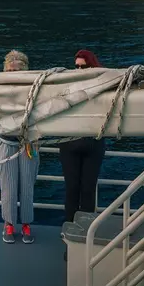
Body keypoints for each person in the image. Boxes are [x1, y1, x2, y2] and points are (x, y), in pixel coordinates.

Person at [60, 49, 108, 222]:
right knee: (71, 189)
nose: (79, 71)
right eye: (77, 67)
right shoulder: (67, 87)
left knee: (88, 190)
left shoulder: (104, 87)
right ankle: (69, 234)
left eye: (84, 66)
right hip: (69, 144)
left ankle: (85, 233)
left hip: (93, 143)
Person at [0, 50, 39, 244]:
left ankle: (26, 223)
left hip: (28, 143)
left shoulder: (35, 89)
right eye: (9, 70)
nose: (13, 74)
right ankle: (9, 223)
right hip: (6, 141)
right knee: (8, 186)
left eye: (17, 70)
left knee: (27, 186)